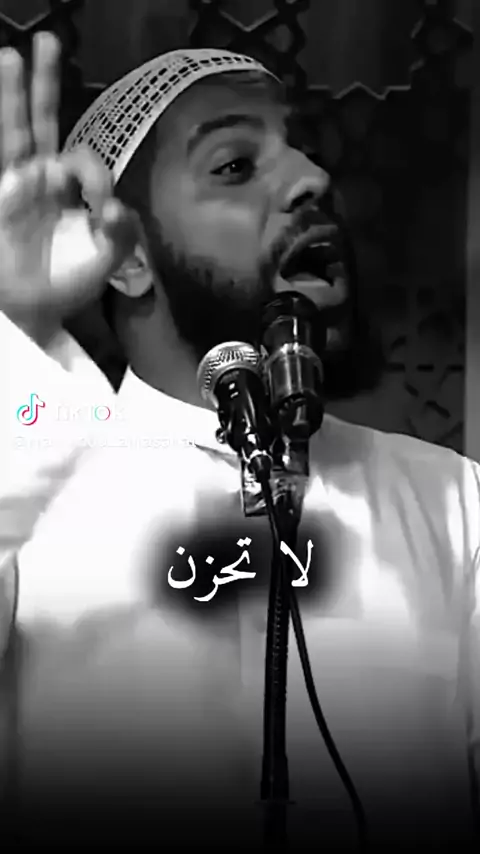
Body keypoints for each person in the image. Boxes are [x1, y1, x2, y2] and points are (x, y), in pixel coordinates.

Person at [0, 31, 478, 851]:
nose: (312, 179)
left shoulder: (455, 502)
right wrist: (13, 330)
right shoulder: (22, 501)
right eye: (234, 166)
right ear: (127, 259)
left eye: (303, 150)